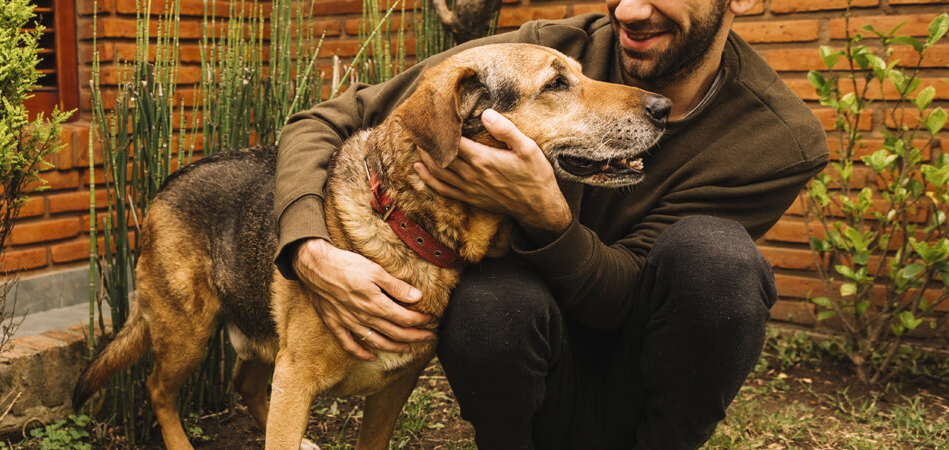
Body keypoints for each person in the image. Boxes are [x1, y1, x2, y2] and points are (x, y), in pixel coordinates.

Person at [271, 0, 830, 448]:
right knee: (489, 299)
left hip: (649, 384)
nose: (630, 10)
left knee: (717, 259)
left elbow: (628, 297)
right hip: (524, 362)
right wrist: (307, 248)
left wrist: (545, 212)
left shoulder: (777, 140)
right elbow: (326, 120)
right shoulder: (546, 49)